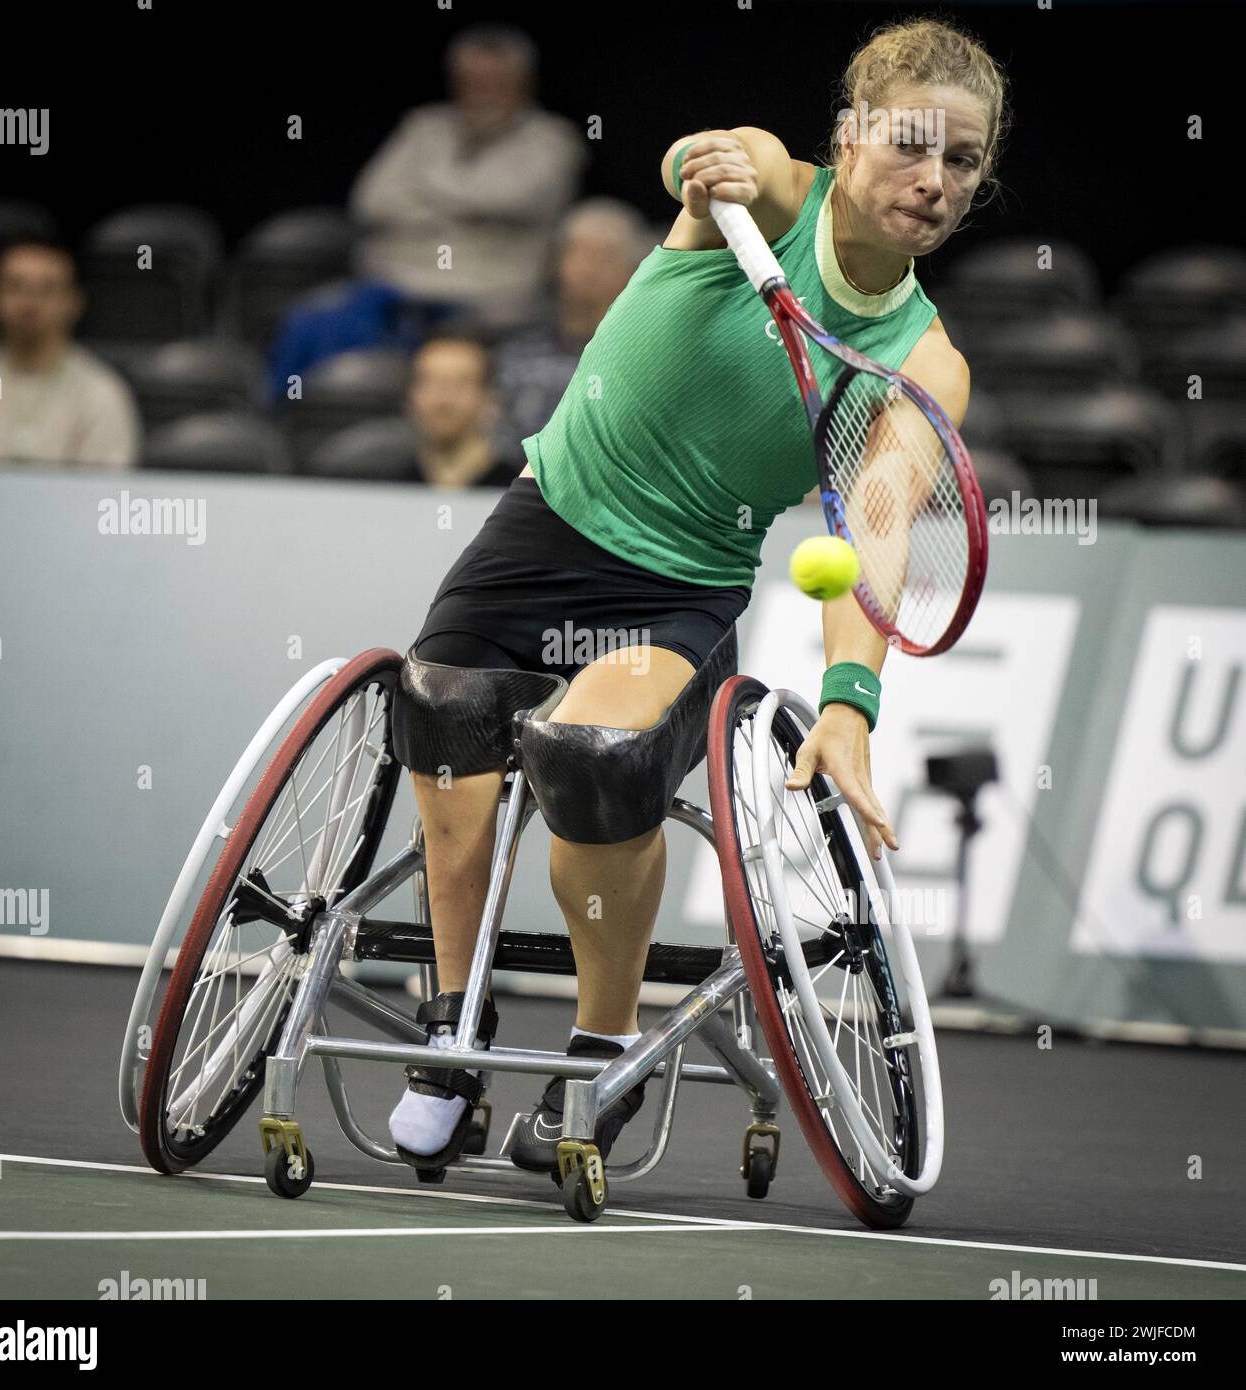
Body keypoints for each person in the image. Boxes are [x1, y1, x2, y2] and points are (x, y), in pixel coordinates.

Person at [387, 17, 1007, 1175]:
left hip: (678, 582)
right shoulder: (775, 197)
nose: (931, 180)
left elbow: (864, 545)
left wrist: (849, 706)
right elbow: (711, 159)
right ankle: (449, 1036)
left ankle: (603, 1043)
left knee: (593, 756)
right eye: (908, 145)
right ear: (849, 136)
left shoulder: (922, 367)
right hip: (542, 521)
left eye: (961, 162)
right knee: (443, 711)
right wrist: (696, 165)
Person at [350, 24, 587, 332]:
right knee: (320, 320)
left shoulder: (553, 138)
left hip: (492, 291)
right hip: (393, 281)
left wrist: (424, 189)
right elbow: (372, 201)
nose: (482, 91)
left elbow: (513, 199)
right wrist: (469, 210)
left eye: (495, 81)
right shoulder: (423, 126)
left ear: (524, 83)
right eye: (472, 81)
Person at [0, 240, 141, 469]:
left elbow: (101, 497)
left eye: (47, 289)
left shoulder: (102, 395)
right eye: (15, 286)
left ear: (74, 302)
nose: (29, 303)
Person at [493, 199, 649, 464]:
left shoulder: (647, 358)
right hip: (516, 482)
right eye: (579, 252)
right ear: (557, 263)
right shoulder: (516, 350)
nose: (589, 268)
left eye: (606, 256)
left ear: (633, 269)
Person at [389, 332, 522, 488]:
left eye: (461, 383)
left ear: (490, 400)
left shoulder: (522, 492)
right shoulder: (382, 487)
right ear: (409, 397)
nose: (444, 400)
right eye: (430, 383)